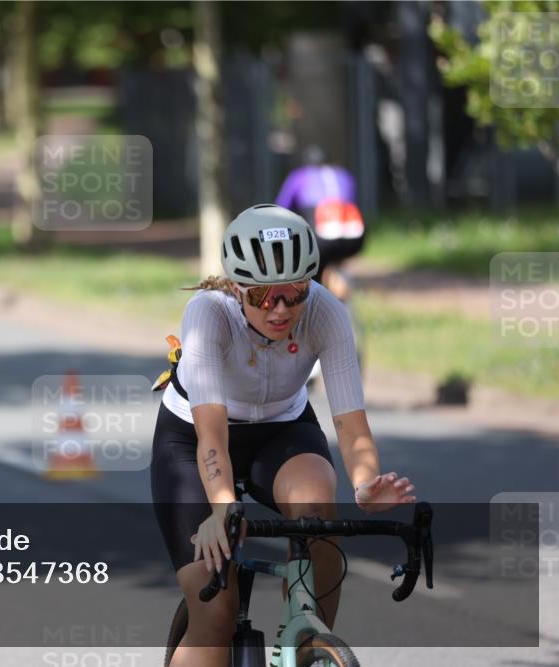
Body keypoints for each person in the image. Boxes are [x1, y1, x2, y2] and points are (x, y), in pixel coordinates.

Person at [151, 205, 415, 666]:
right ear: (238, 288)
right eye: (262, 296)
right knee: (216, 611)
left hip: (282, 430)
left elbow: (352, 425)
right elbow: (211, 436)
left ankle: (307, 637)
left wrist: (365, 483)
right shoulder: (208, 315)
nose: (280, 309)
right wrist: (222, 507)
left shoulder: (326, 312)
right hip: (195, 440)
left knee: (317, 507)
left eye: (294, 294)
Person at [275, 146, 364, 301]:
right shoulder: (343, 174)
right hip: (355, 236)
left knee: (312, 272)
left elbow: (281, 210)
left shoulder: (299, 176)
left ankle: (317, 301)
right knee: (336, 256)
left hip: (322, 237)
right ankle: (341, 288)